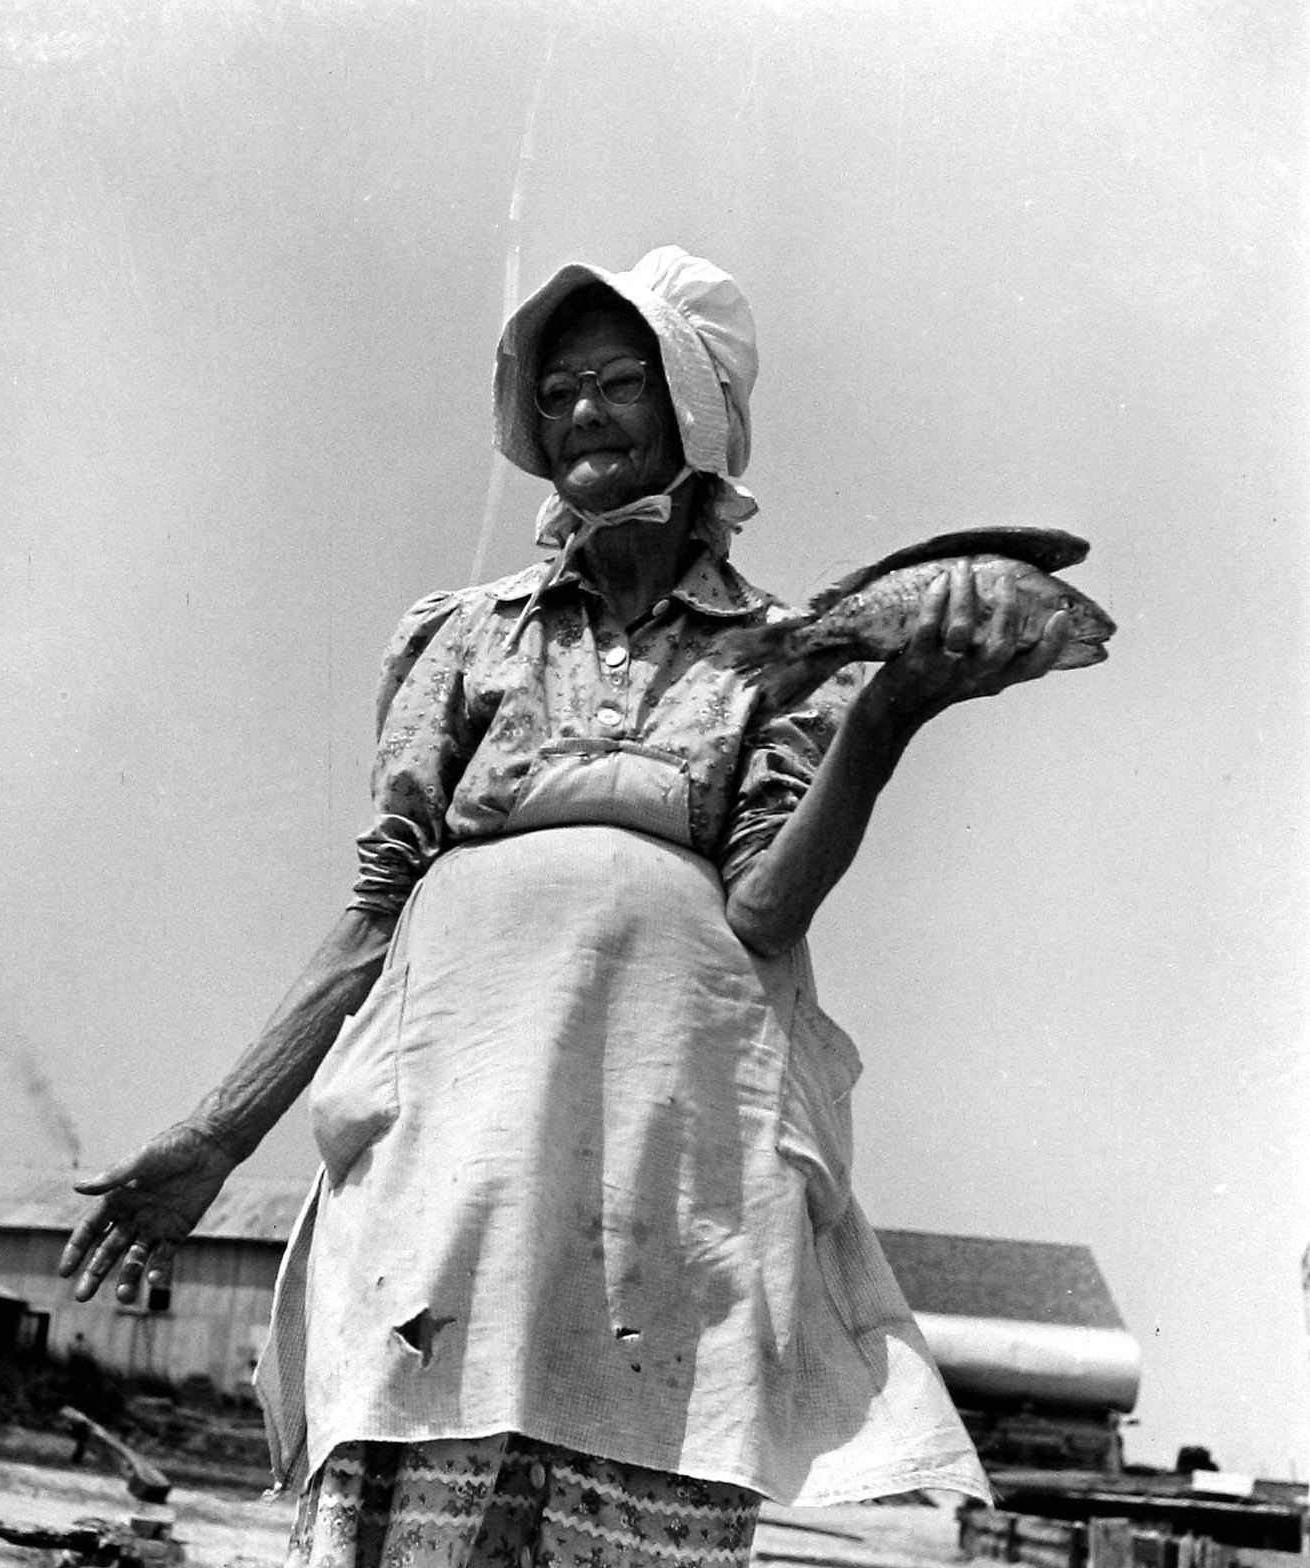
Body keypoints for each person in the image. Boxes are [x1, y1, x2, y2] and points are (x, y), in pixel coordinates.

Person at [59, 247, 1071, 1567]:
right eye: (557, 392)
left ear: (696, 409)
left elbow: (766, 911)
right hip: (457, 1152)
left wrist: (887, 718)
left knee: (639, 1466)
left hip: (669, 1160)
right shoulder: (469, 637)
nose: (582, 413)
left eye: (619, 384)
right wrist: (215, 1134)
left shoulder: (788, 652)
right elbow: (372, 916)